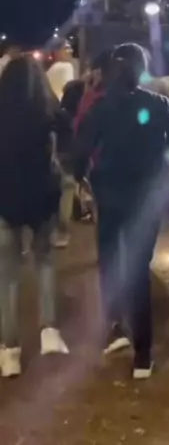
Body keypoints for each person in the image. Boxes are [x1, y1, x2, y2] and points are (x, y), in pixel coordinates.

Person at [72, 43, 169, 379]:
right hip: (147, 200)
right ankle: (142, 356)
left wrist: (83, 182)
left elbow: (78, 154)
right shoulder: (159, 104)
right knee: (138, 270)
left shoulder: (101, 107)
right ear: (142, 71)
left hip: (110, 196)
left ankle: (115, 329)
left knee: (110, 261)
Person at [0, 57, 70, 377]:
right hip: (42, 196)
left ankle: (10, 351)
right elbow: (67, 141)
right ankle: (49, 331)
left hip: (5, 198)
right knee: (44, 262)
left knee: (8, 275)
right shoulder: (49, 110)